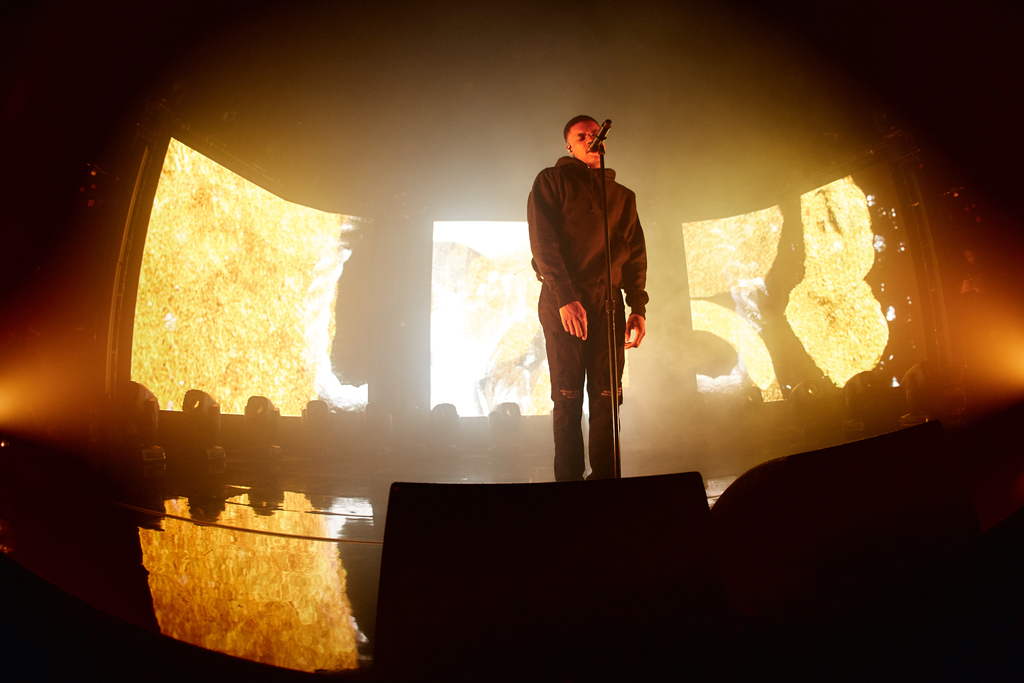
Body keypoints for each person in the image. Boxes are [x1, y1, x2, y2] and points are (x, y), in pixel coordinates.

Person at [527, 115, 648, 481]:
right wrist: (565, 296)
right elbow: (543, 243)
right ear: (569, 146)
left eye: (595, 134)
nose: (591, 139)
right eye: (582, 136)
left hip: (607, 301)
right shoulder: (552, 181)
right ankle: (568, 486)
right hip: (564, 299)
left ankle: (606, 485)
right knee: (567, 397)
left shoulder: (623, 196)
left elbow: (636, 253)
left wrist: (637, 306)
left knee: (608, 398)